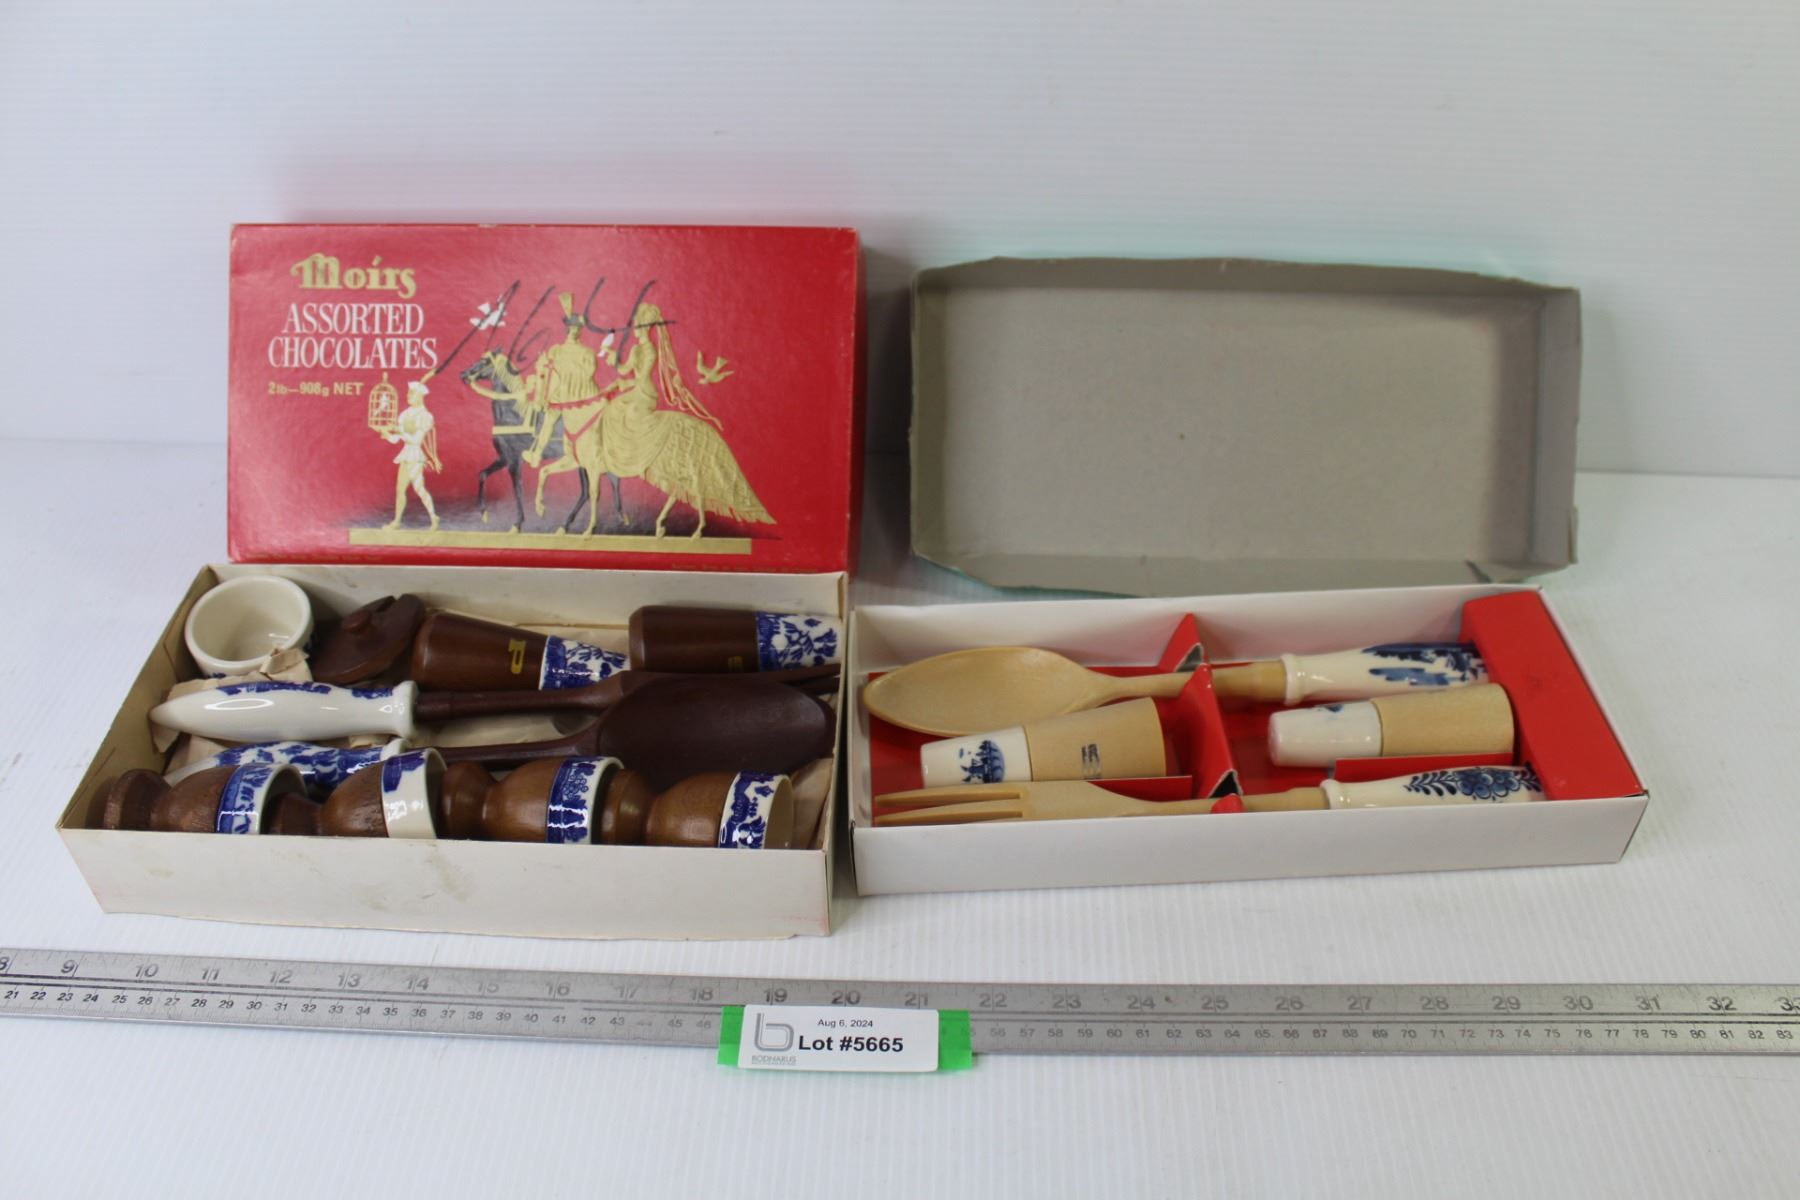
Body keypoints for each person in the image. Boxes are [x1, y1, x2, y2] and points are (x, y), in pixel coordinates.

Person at [384, 379, 440, 530]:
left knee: (419, 489)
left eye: (412, 393)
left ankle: (434, 517)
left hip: (415, 456)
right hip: (405, 455)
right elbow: (396, 439)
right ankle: (397, 521)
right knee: (400, 490)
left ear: (420, 396)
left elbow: (416, 441)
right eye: (408, 393)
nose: (408, 396)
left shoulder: (425, 416)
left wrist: (400, 431)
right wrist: (386, 434)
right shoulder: (404, 414)